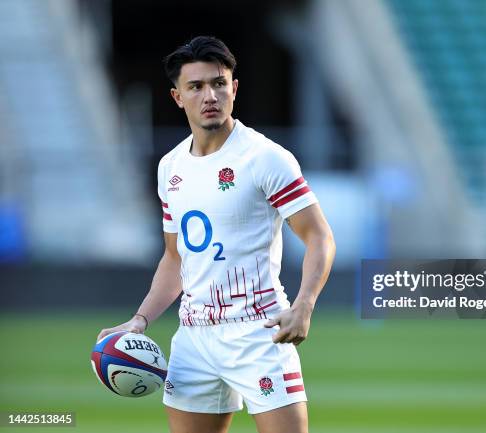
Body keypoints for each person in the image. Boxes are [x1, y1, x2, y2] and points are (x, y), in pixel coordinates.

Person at [96, 36, 336, 433]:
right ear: (177, 96)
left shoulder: (265, 158)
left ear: (234, 88)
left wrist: (305, 305)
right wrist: (140, 320)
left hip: (259, 331)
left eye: (219, 83)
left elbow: (319, 236)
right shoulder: (170, 167)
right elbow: (175, 258)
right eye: (196, 86)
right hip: (193, 337)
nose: (210, 95)